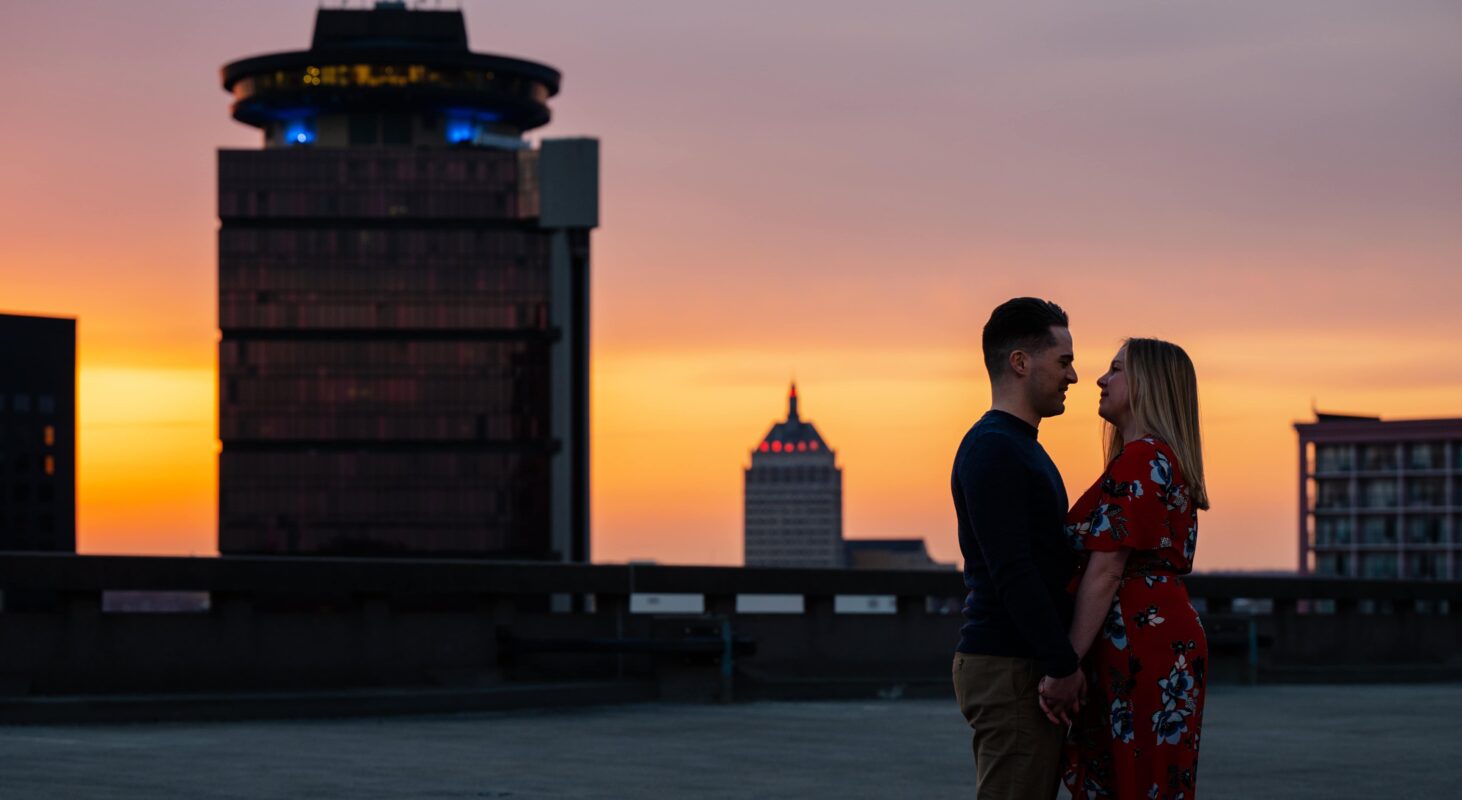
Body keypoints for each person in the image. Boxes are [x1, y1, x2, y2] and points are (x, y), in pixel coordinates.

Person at [1059, 338, 1210, 800]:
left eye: (1116, 369)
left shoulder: (1144, 458)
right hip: (1156, 635)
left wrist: (1063, 663)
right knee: (1148, 779)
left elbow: (1105, 570)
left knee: (1132, 779)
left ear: (1149, 384)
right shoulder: (1160, 458)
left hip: (1138, 642)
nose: (1101, 380)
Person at [952, 297, 1085, 800]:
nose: (1073, 376)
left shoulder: (1017, 445)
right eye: (1064, 361)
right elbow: (1013, 570)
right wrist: (1062, 664)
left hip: (1018, 661)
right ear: (1020, 362)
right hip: (1010, 665)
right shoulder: (995, 447)